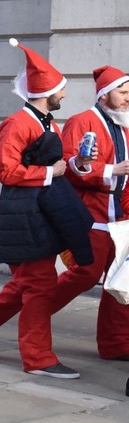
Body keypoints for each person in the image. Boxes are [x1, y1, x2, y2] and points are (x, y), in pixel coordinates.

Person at [0, 40, 96, 379]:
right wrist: (49, 172)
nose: (64, 96)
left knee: (30, 283)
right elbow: (5, 171)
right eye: (61, 90)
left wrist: (76, 163)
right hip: (22, 213)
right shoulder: (18, 124)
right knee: (39, 285)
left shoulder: (48, 123)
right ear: (46, 91)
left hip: (41, 211)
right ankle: (37, 358)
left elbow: (56, 164)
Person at [49, 66, 129, 361]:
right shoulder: (81, 121)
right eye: (123, 92)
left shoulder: (124, 125)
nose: (128, 98)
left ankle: (116, 344)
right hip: (91, 213)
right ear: (105, 94)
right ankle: (35, 311)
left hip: (121, 216)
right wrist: (110, 170)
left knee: (121, 282)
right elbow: (70, 164)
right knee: (85, 274)